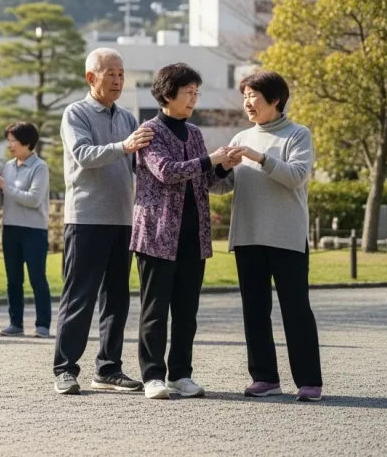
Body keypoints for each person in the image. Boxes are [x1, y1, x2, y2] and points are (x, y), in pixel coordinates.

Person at [213, 70, 323, 402]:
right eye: (244, 95)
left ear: (274, 99)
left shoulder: (297, 134)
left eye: (253, 95)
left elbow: (297, 177)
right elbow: (221, 187)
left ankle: (309, 381)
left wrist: (258, 156)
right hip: (247, 236)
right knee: (254, 310)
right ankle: (264, 377)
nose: (247, 102)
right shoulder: (241, 138)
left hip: (287, 237)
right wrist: (218, 165)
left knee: (296, 309)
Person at [130, 63, 235, 399]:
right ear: (167, 93)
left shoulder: (195, 133)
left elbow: (204, 180)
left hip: (193, 235)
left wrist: (221, 167)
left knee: (187, 311)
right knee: (155, 309)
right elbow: (166, 172)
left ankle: (181, 374)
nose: (194, 98)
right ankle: (152, 377)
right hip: (157, 236)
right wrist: (209, 160)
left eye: (196, 92)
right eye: (188, 92)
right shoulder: (150, 131)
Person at [53, 48, 150, 395]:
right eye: (111, 73)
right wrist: (124, 146)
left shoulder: (127, 117)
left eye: (122, 74)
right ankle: (65, 369)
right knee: (79, 296)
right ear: (90, 77)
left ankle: (108, 369)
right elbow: (83, 155)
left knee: (117, 298)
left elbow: (143, 163)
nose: (118, 80)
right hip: (86, 218)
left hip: (123, 219)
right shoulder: (75, 113)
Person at [0, 122, 52, 338]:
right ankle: (15, 323)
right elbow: (3, 202)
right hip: (11, 229)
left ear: (27, 142)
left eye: (13, 140)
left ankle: (43, 324)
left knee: (37, 278)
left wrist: (6, 187)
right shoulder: (8, 166)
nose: (9, 145)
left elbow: (33, 199)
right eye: (8, 140)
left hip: (34, 230)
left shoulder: (39, 167)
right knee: (13, 280)